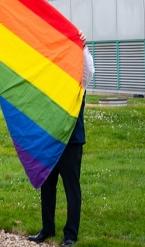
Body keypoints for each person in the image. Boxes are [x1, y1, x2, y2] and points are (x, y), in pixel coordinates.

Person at [28, 45, 94, 247]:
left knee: (71, 188)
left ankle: (70, 235)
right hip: (49, 142)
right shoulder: (49, 82)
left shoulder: (79, 82)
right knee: (47, 187)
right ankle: (47, 229)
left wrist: (82, 48)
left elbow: (89, 69)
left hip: (71, 143)